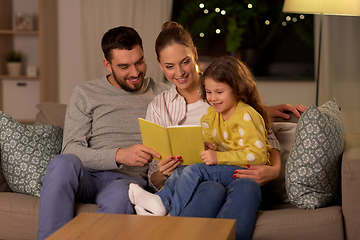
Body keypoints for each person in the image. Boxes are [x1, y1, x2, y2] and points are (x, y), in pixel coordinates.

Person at [128, 21, 306, 240]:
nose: (180, 72)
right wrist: (162, 173)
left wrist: (275, 169)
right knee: (211, 189)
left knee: (248, 187)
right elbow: (153, 175)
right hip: (195, 185)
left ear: (194, 54)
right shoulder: (159, 106)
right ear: (160, 64)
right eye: (169, 66)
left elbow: (262, 133)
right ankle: (171, 221)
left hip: (238, 175)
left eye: (185, 62)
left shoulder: (223, 87)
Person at [37, 26, 169, 240]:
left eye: (139, 62)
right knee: (62, 162)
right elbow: (71, 148)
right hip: (87, 176)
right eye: (124, 66)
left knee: (120, 195)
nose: (135, 73)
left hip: (127, 181)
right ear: (107, 64)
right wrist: (119, 155)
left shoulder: (164, 93)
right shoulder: (85, 93)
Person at [129, 55, 273, 218]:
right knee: (182, 170)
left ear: (237, 89)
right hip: (225, 169)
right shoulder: (211, 114)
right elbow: (213, 145)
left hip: (245, 170)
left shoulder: (246, 115)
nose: (212, 98)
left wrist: (218, 157)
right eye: (209, 92)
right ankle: (161, 201)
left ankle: (171, 214)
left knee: (195, 170)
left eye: (219, 92)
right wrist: (203, 147)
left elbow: (258, 156)